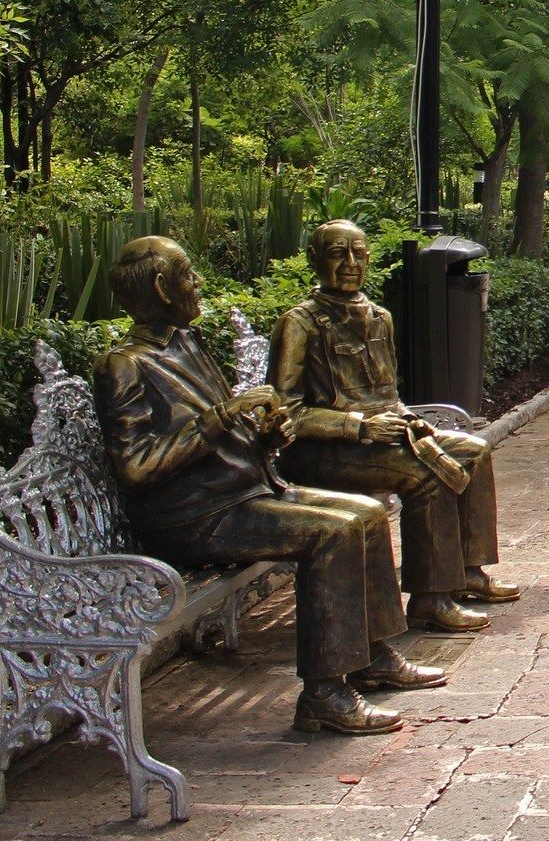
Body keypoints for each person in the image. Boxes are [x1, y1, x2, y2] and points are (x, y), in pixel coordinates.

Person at [93, 237, 445, 737]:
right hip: (194, 516)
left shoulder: (186, 343)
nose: (198, 284)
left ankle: (373, 656)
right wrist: (222, 417)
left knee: (366, 513)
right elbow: (136, 467)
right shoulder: (125, 364)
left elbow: (222, 433)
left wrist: (265, 435)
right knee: (332, 534)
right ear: (161, 287)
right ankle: (323, 695)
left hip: (246, 491)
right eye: (189, 274)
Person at [270, 221, 519, 634]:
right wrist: (359, 426)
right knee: (425, 475)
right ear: (315, 260)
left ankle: (468, 571)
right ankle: (430, 598)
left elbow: (387, 395)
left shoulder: (379, 317)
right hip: (325, 450)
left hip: (383, 441)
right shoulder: (300, 324)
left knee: (473, 451)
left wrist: (406, 417)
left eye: (359, 253)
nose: (351, 263)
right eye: (338, 253)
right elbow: (286, 412)